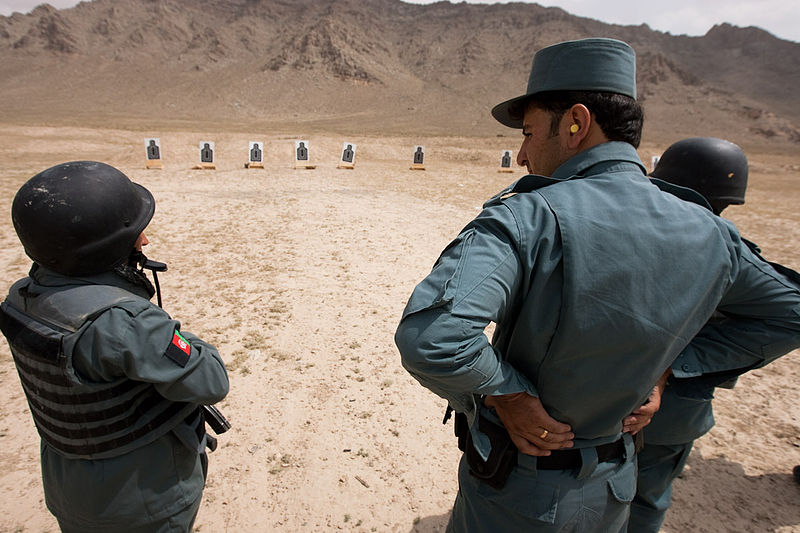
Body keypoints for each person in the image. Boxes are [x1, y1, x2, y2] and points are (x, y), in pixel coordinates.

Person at [394, 38, 800, 532]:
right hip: (615, 490)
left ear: (576, 123)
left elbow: (433, 337)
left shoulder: (529, 215)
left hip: (517, 494)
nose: (521, 154)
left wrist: (507, 396)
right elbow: (790, 311)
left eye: (527, 132)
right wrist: (669, 370)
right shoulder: (712, 232)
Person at [0, 161, 230, 532]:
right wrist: (169, 331)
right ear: (102, 248)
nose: (145, 241)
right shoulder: (126, 324)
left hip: (70, 489)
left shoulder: (20, 299)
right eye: (135, 233)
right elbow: (211, 381)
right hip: (141, 502)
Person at [627, 137, 800, 532]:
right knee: (644, 500)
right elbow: (793, 314)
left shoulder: (623, 224)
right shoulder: (724, 247)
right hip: (668, 412)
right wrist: (680, 362)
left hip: (588, 394)